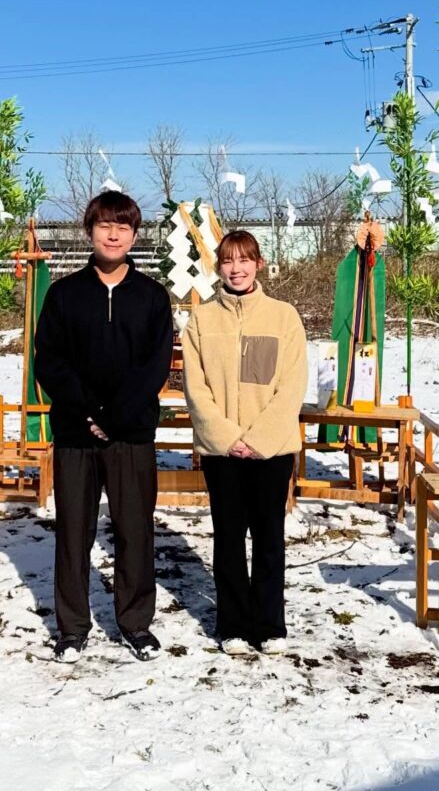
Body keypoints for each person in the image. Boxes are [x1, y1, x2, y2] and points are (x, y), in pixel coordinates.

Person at [35, 191, 173, 663]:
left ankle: (135, 623)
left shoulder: (152, 297)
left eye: (123, 227)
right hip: (75, 433)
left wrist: (114, 417)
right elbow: (50, 363)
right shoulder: (64, 294)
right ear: (89, 231)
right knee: (74, 532)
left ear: (134, 235)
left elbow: (153, 368)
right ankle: (72, 627)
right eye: (104, 226)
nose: (113, 235)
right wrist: (89, 412)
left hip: (130, 434)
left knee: (135, 530)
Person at [181, 230, 307, 655]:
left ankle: (269, 624)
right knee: (229, 538)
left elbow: (291, 387)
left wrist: (259, 439)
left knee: (269, 537)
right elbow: (196, 388)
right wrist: (228, 438)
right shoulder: (202, 320)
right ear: (220, 267)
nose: (237, 269)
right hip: (223, 452)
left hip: (271, 451)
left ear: (259, 264)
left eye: (245, 260)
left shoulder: (282, 316)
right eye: (229, 261)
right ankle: (232, 624)